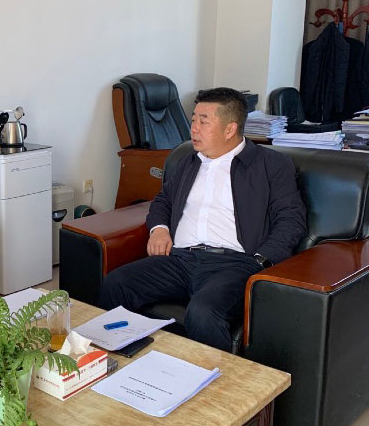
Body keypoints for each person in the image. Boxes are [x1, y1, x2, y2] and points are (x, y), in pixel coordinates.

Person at [117, 89, 307, 352]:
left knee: (203, 312)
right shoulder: (187, 161)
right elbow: (163, 201)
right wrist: (159, 230)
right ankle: (120, 364)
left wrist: (261, 260)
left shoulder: (271, 164)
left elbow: (291, 219)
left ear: (230, 129)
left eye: (203, 122)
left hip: (235, 263)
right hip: (180, 260)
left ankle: (216, 379)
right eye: (193, 120)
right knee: (116, 285)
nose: (193, 128)